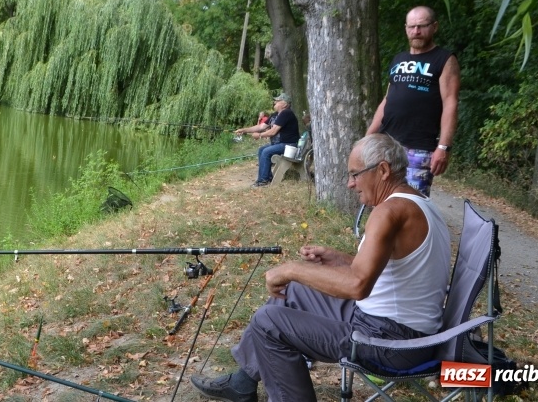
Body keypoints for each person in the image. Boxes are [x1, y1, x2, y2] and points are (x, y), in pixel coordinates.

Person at [190, 133, 451, 402]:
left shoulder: (389, 211)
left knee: (267, 322)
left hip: (392, 343)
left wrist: (292, 269)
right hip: (400, 330)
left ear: (382, 170)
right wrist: (340, 259)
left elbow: (357, 285)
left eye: (355, 174)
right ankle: (244, 383)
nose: (350, 184)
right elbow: (396, 270)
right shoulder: (419, 203)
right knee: (293, 292)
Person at [367, 6, 460, 197]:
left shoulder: (444, 59)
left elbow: (450, 102)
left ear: (434, 27)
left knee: (412, 205)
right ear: (405, 28)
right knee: (381, 201)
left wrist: (443, 147)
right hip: (386, 145)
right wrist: (368, 137)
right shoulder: (398, 59)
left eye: (421, 26)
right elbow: (387, 100)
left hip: (419, 148)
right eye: (411, 27)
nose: (416, 32)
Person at [234, 93, 299, 187]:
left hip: (289, 145)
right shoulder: (275, 115)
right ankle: (267, 177)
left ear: (284, 104)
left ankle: (262, 181)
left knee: (266, 152)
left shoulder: (286, 113)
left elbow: (273, 131)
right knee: (261, 150)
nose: (274, 103)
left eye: (277, 101)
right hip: (280, 143)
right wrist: (244, 130)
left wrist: (260, 135)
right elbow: (261, 126)